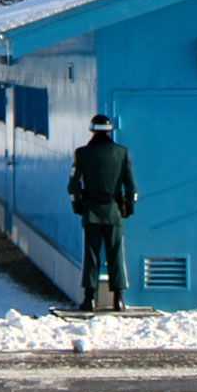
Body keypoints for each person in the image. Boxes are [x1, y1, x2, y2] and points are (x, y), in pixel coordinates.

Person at [68, 113, 137, 312]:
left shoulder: (82, 153)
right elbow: (131, 186)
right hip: (114, 211)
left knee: (91, 255)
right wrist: (128, 209)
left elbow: (73, 185)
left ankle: (89, 299)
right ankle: (119, 300)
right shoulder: (122, 153)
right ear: (110, 131)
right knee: (116, 254)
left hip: (91, 211)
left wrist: (78, 206)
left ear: (91, 131)